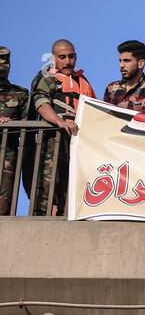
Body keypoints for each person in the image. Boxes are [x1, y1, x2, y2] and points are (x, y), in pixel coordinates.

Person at [26, 39, 93, 217]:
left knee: (70, 189)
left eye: (71, 56)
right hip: (50, 144)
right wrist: (59, 121)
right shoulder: (47, 77)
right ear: (53, 58)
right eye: (62, 57)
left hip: (76, 145)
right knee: (46, 192)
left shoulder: (83, 81)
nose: (67, 61)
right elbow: (41, 103)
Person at [0, 46, 30, 216]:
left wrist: (12, 123)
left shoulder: (20, 94)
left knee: (3, 206)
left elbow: (27, 126)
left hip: (7, 158)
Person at [103, 40, 145, 115]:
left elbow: (144, 119)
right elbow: (103, 116)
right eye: (120, 61)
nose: (121, 65)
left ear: (140, 64)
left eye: (126, 61)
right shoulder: (111, 88)